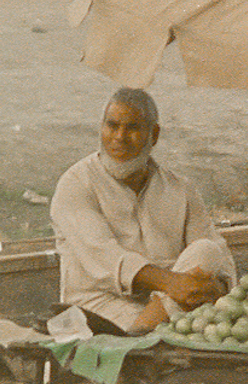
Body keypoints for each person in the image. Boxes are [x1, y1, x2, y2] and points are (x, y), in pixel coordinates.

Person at [50, 87, 235, 334]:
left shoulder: (181, 189)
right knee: (182, 324)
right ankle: (143, 338)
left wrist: (218, 287)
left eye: (132, 128)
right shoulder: (76, 184)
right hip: (98, 305)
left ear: (154, 134)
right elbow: (104, 257)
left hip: (177, 299)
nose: (119, 137)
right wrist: (172, 283)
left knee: (207, 249)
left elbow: (215, 250)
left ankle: (146, 335)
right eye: (112, 126)